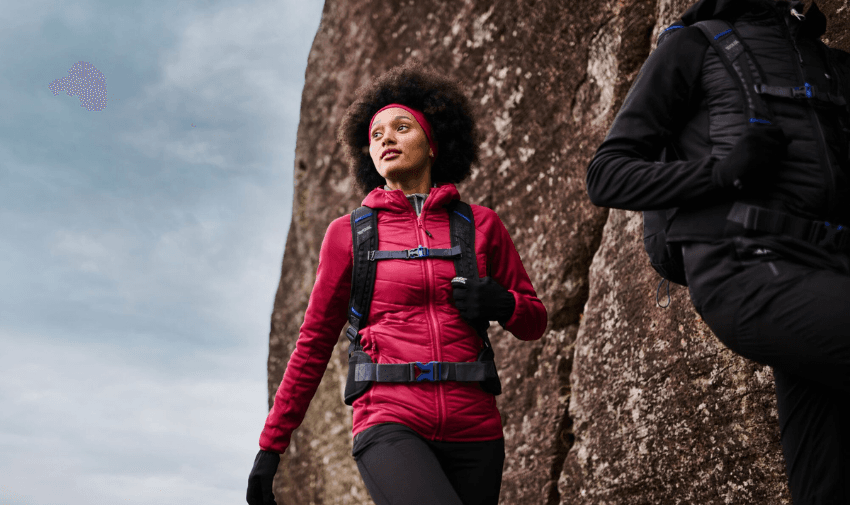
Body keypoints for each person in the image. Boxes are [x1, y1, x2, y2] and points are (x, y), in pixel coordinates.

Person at [246, 61, 548, 505]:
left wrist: (502, 304)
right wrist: (271, 446)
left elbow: (534, 320)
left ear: (433, 144)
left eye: (401, 127)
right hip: (388, 421)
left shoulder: (480, 225)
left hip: (477, 431)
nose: (386, 138)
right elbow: (312, 343)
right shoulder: (347, 234)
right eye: (376, 134)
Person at [586, 0, 850, 502]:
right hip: (744, 267)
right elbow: (607, 174)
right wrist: (721, 170)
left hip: (829, 268)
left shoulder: (832, 64)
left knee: (825, 479)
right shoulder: (696, 44)